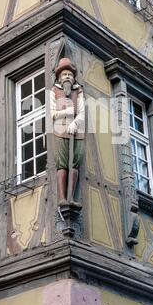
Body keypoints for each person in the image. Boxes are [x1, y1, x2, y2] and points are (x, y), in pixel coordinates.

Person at [50, 58, 85, 207]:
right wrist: (66, 112)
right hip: (60, 131)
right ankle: (62, 198)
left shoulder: (79, 90)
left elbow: (82, 112)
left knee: (75, 163)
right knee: (62, 164)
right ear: (59, 77)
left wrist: (75, 123)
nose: (67, 77)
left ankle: (71, 197)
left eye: (70, 74)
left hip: (77, 132)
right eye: (64, 74)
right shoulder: (54, 91)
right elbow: (51, 113)